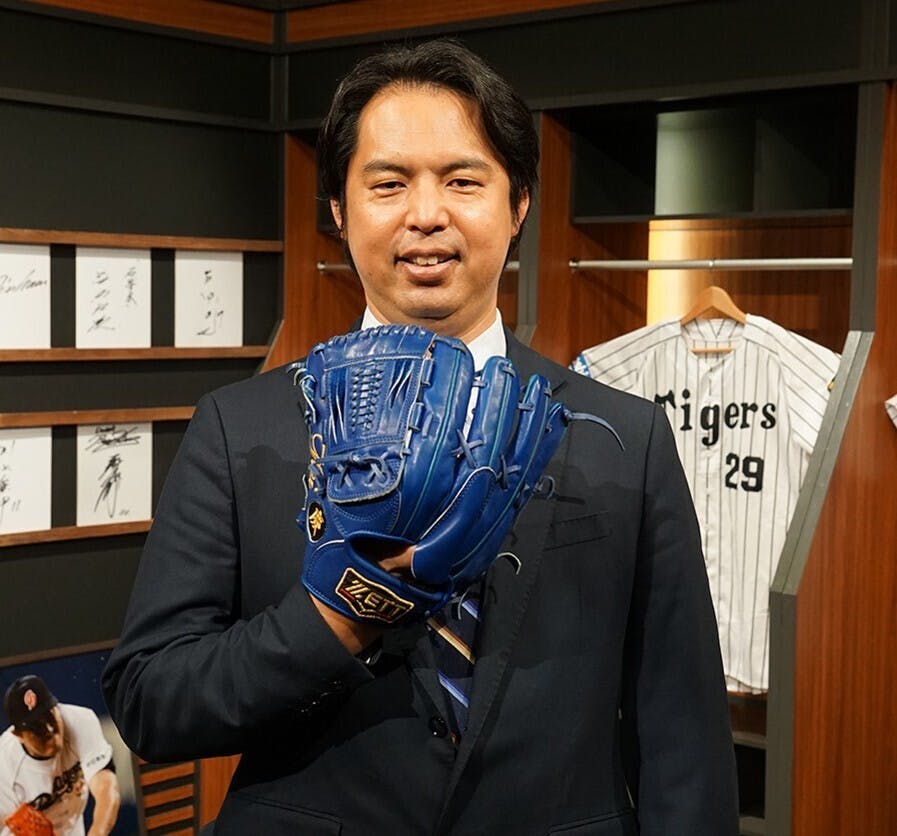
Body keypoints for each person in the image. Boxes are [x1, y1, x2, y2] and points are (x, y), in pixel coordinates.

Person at [102, 39, 738, 834]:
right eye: (388, 183)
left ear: (518, 205)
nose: (426, 214)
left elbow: (681, 735)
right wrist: (338, 614)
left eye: (463, 181)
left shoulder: (625, 437)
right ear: (339, 210)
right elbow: (152, 702)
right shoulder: (240, 429)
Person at [1, 676, 119, 836]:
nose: (49, 729)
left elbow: (106, 787)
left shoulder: (79, 721)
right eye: (36, 727)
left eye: (49, 716)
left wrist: (97, 832)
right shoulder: (4, 763)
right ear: (18, 735)